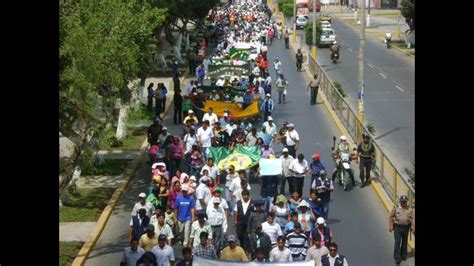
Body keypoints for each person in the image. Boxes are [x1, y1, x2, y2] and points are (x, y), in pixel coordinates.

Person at [389, 195, 414, 265]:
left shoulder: (410, 210)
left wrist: (413, 227)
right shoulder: (396, 209)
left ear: (407, 202)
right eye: (402, 202)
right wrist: (390, 226)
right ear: (400, 202)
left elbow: (412, 219)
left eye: (405, 202)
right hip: (397, 227)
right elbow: (391, 217)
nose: (403, 203)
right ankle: (397, 257)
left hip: (406, 228)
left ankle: (403, 255)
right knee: (397, 242)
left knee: (404, 242)